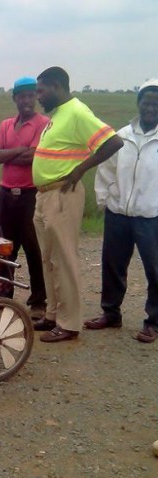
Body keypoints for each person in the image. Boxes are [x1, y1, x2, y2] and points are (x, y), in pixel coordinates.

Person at [31, 66, 123, 342]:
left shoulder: (77, 111)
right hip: (44, 196)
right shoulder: (57, 115)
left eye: (41, 91)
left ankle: (69, 324)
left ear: (58, 87)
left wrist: (81, 169)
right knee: (48, 258)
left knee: (64, 259)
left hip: (62, 195)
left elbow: (113, 141)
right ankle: (52, 315)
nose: (38, 97)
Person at [84, 79, 158, 342]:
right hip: (118, 213)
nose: (151, 107)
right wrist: (104, 198)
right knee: (113, 265)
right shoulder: (123, 135)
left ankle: (153, 323)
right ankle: (111, 314)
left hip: (151, 217)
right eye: (146, 102)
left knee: (155, 269)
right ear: (138, 103)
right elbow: (106, 169)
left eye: (155, 103)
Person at [0, 76, 48, 320]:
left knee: (34, 249)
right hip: (5, 195)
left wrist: (8, 154)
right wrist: (19, 151)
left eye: (31, 95)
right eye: (22, 96)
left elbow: (32, 157)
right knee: (4, 248)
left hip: (29, 195)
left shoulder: (44, 123)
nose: (27, 100)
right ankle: (4, 295)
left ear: (35, 97)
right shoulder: (6, 125)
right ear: (14, 98)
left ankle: (38, 302)